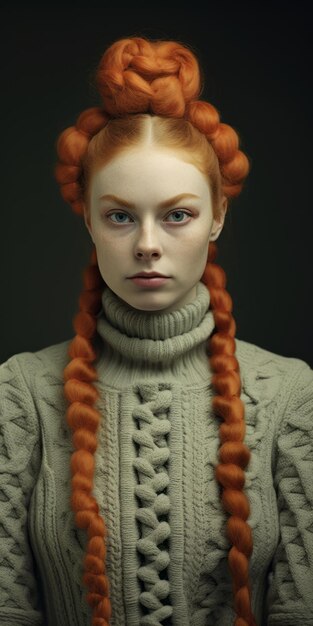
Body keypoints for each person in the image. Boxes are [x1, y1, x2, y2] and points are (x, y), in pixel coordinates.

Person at [0, 35, 312, 626]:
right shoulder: (20, 394)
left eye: (178, 215)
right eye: (120, 216)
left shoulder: (292, 396)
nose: (147, 245)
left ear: (217, 216)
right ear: (88, 219)